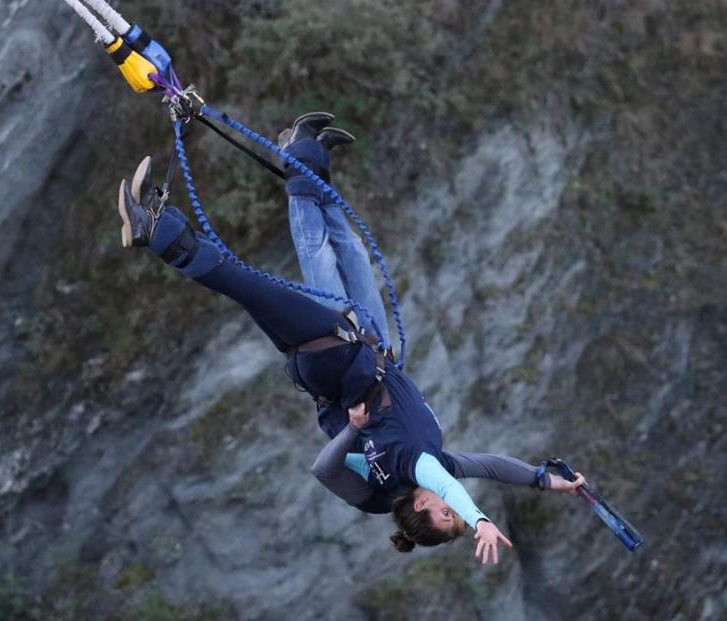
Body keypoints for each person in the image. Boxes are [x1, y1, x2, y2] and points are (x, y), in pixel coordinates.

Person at [114, 112, 585, 565]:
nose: (453, 505)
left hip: (333, 353)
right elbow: (490, 465)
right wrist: (545, 480)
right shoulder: (431, 465)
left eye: (448, 513)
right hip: (366, 346)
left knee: (259, 278)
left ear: (422, 506)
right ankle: (304, 151)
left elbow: (324, 471)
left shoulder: (412, 471)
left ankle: (154, 229)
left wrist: (477, 518)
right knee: (347, 248)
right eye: (455, 511)